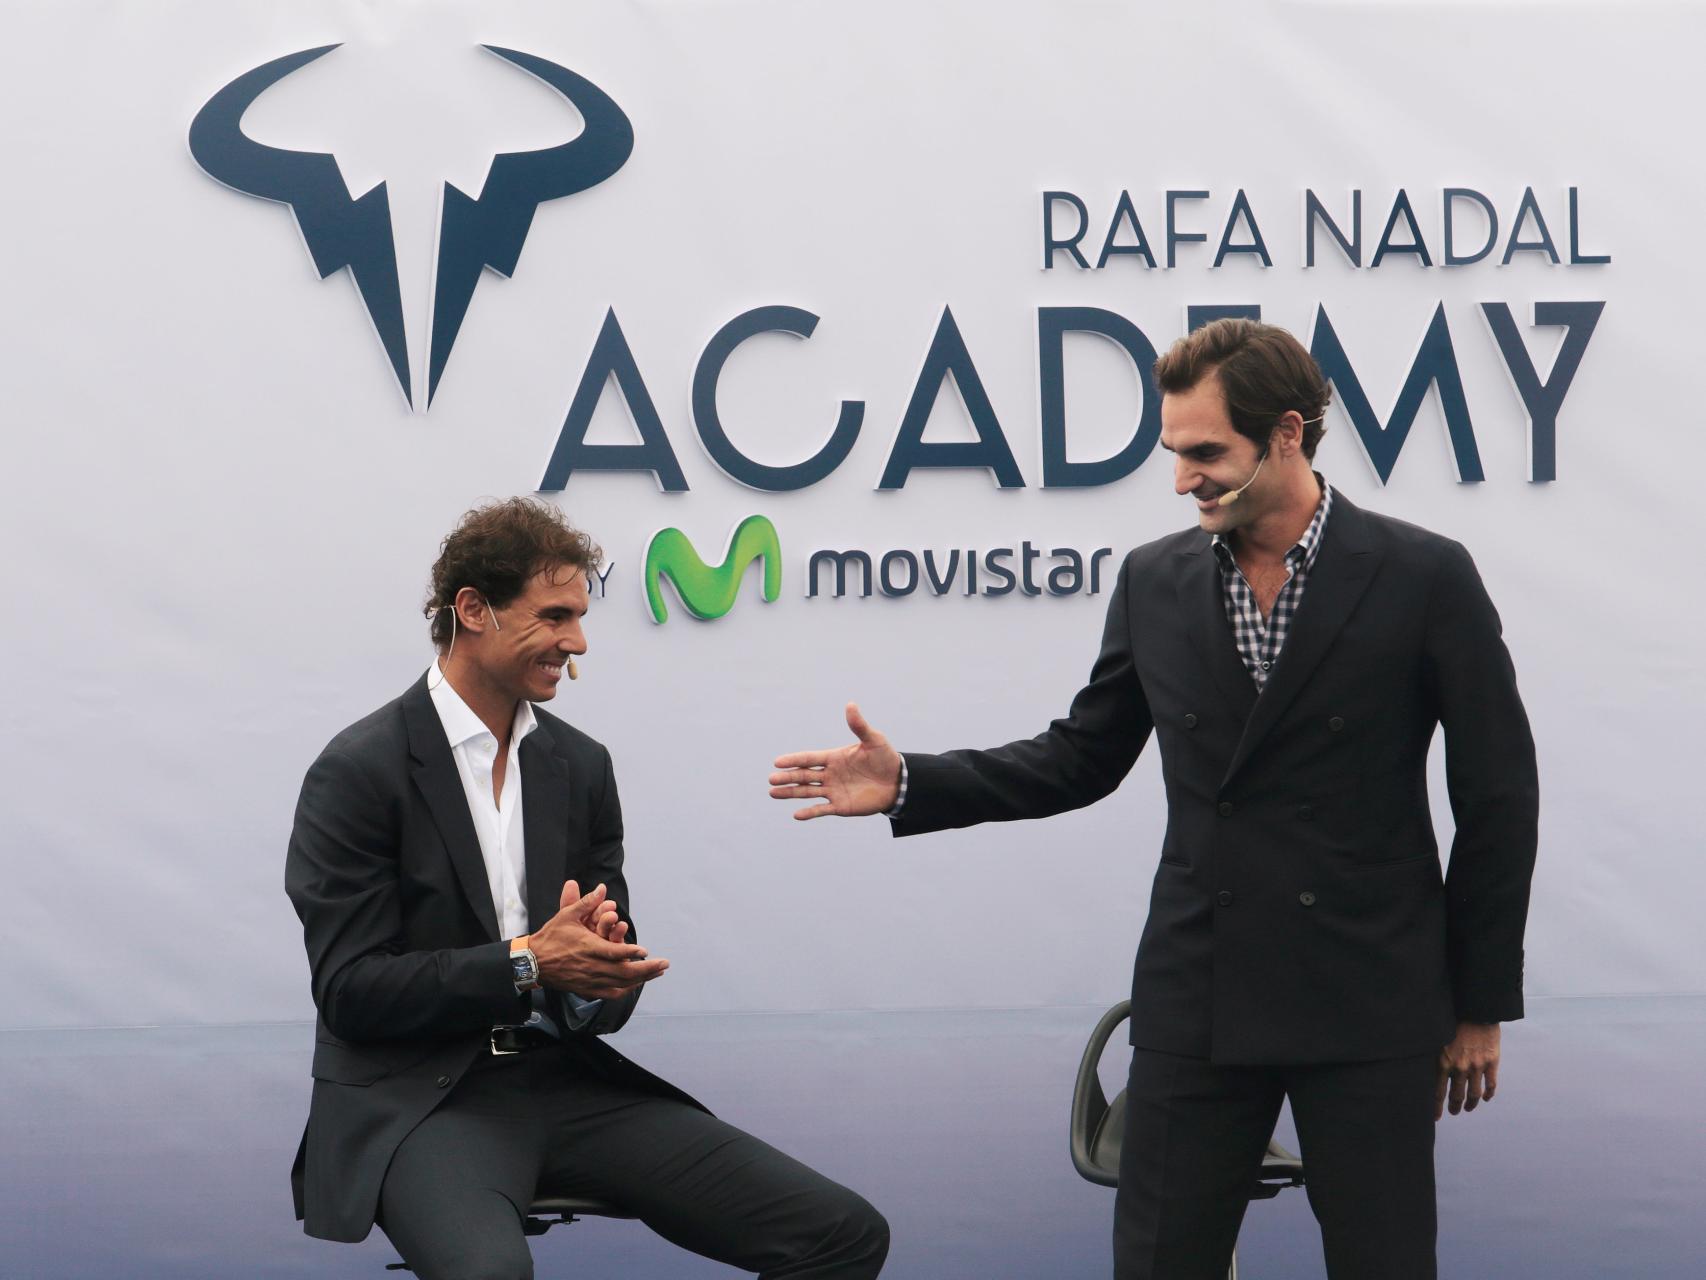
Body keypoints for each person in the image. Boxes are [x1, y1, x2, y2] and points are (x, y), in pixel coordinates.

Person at [768, 318, 1537, 1280]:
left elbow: (1499, 797)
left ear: (1288, 433)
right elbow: (1082, 757)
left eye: (1207, 453)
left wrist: (1479, 1003)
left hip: (1371, 992)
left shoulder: (1424, 574)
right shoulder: (1153, 580)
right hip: (1198, 991)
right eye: (1174, 454)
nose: (1182, 480)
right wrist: (911, 781)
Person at [286, 498, 888, 1280]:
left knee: (842, 1234)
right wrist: (531, 962)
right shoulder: (360, 769)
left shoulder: (580, 765)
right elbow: (352, 990)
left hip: (563, 1082)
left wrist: (600, 977)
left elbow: (603, 982)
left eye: (580, 615)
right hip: (423, 1101)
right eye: (556, 615)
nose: (577, 641)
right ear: (473, 611)